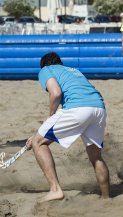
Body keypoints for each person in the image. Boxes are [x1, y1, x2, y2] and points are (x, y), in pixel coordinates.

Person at [26, 52, 110, 202]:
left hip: (78, 108)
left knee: (38, 142)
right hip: (99, 108)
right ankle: (106, 198)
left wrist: (48, 120)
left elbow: (56, 93)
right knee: (96, 157)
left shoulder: (46, 70)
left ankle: (55, 190)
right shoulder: (73, 70)